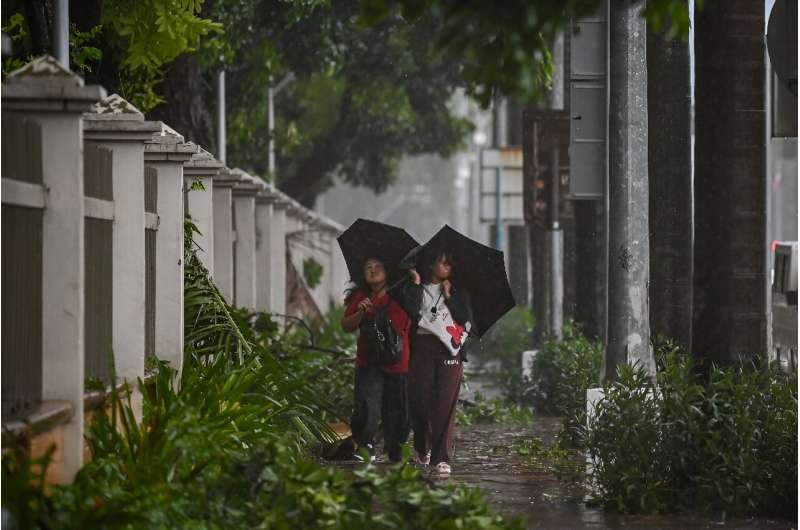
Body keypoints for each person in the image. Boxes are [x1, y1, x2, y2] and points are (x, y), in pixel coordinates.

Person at [403, 250, 476, 475]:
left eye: (450, 264)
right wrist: (415, 284)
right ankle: (422, 448)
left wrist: (450, 297)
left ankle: (441, 457)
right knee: (420, 400)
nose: (447, 267)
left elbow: (467, 320)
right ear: (432, 264)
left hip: (449, 350)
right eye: (443, 263)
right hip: (421, 348)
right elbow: (411, 311)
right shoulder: (413, 288)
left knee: (445, 402)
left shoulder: (456, 290)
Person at [340, 257, 411, 462]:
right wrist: (361, 312)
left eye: (377, 266)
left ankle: (395, 449)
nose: (372, 271)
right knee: (366, 407)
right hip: (368, 361)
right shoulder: (360, 296)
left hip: (397, 361)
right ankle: (365, 448)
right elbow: (346, 325)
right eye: (368, 267)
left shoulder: (401, 293)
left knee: (396, 410)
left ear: (387, 270)